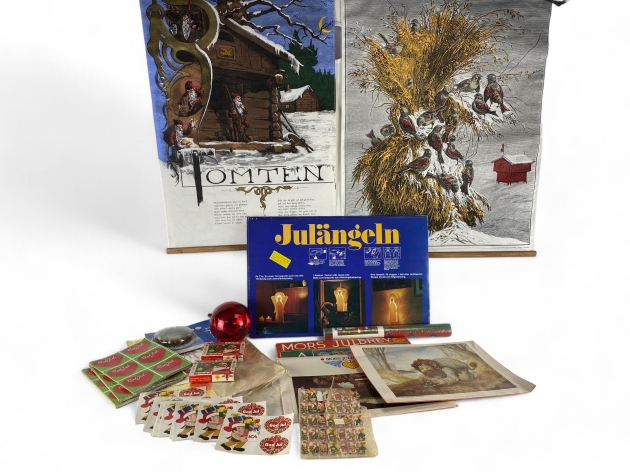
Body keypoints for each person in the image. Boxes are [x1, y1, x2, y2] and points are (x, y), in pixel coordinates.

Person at [411, 357, 478, 387]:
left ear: (432, 365)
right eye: (422, 369)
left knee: (464, 377)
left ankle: (471, 372)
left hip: (458, 369)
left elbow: (453, 377)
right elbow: (435, 377)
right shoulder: (430, 372)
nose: (425, 369)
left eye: (427, 367)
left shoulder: (444, 367)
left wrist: (445, 381)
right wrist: (432, 380)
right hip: (449, 373)